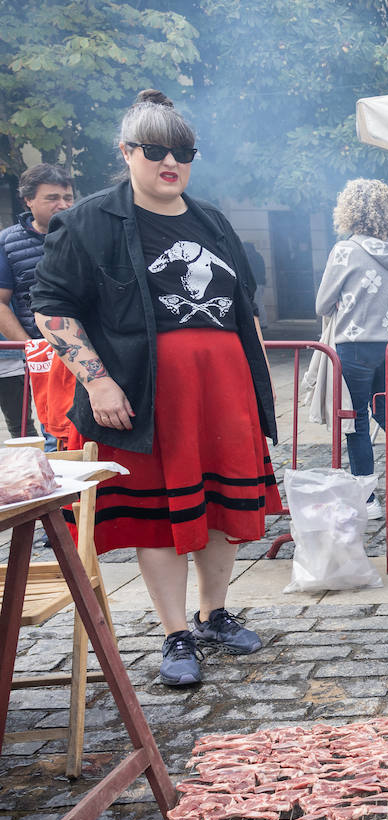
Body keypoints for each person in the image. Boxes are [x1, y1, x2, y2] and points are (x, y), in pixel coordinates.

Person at [31, 89, 278, 686]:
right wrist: (99, 383)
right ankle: (175, 634)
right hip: (146, 395)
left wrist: (257, 379)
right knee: (164, 514)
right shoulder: (89, 220)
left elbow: (243, 308)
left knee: (225, 506)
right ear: (127, 151)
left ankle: (214, 613)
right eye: (156, 150)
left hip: (224, 388)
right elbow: (51, 307)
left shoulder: (212, 220)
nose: (171, 163)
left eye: (184, 152)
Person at [316, 178, 388, 520]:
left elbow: (322, 302)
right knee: (386, 411)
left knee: (355, 419)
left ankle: (366, 497)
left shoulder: (345, 250)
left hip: (352, 346)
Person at [0, 163, 75, 441]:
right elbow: (0, 303)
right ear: (28, 200)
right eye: (52, 198)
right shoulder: (7, 243)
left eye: (67, 197)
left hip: (87, 349)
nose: (63, 205)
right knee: (54, 431)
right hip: (44, 354)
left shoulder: (86, 235)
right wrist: (32, 348)